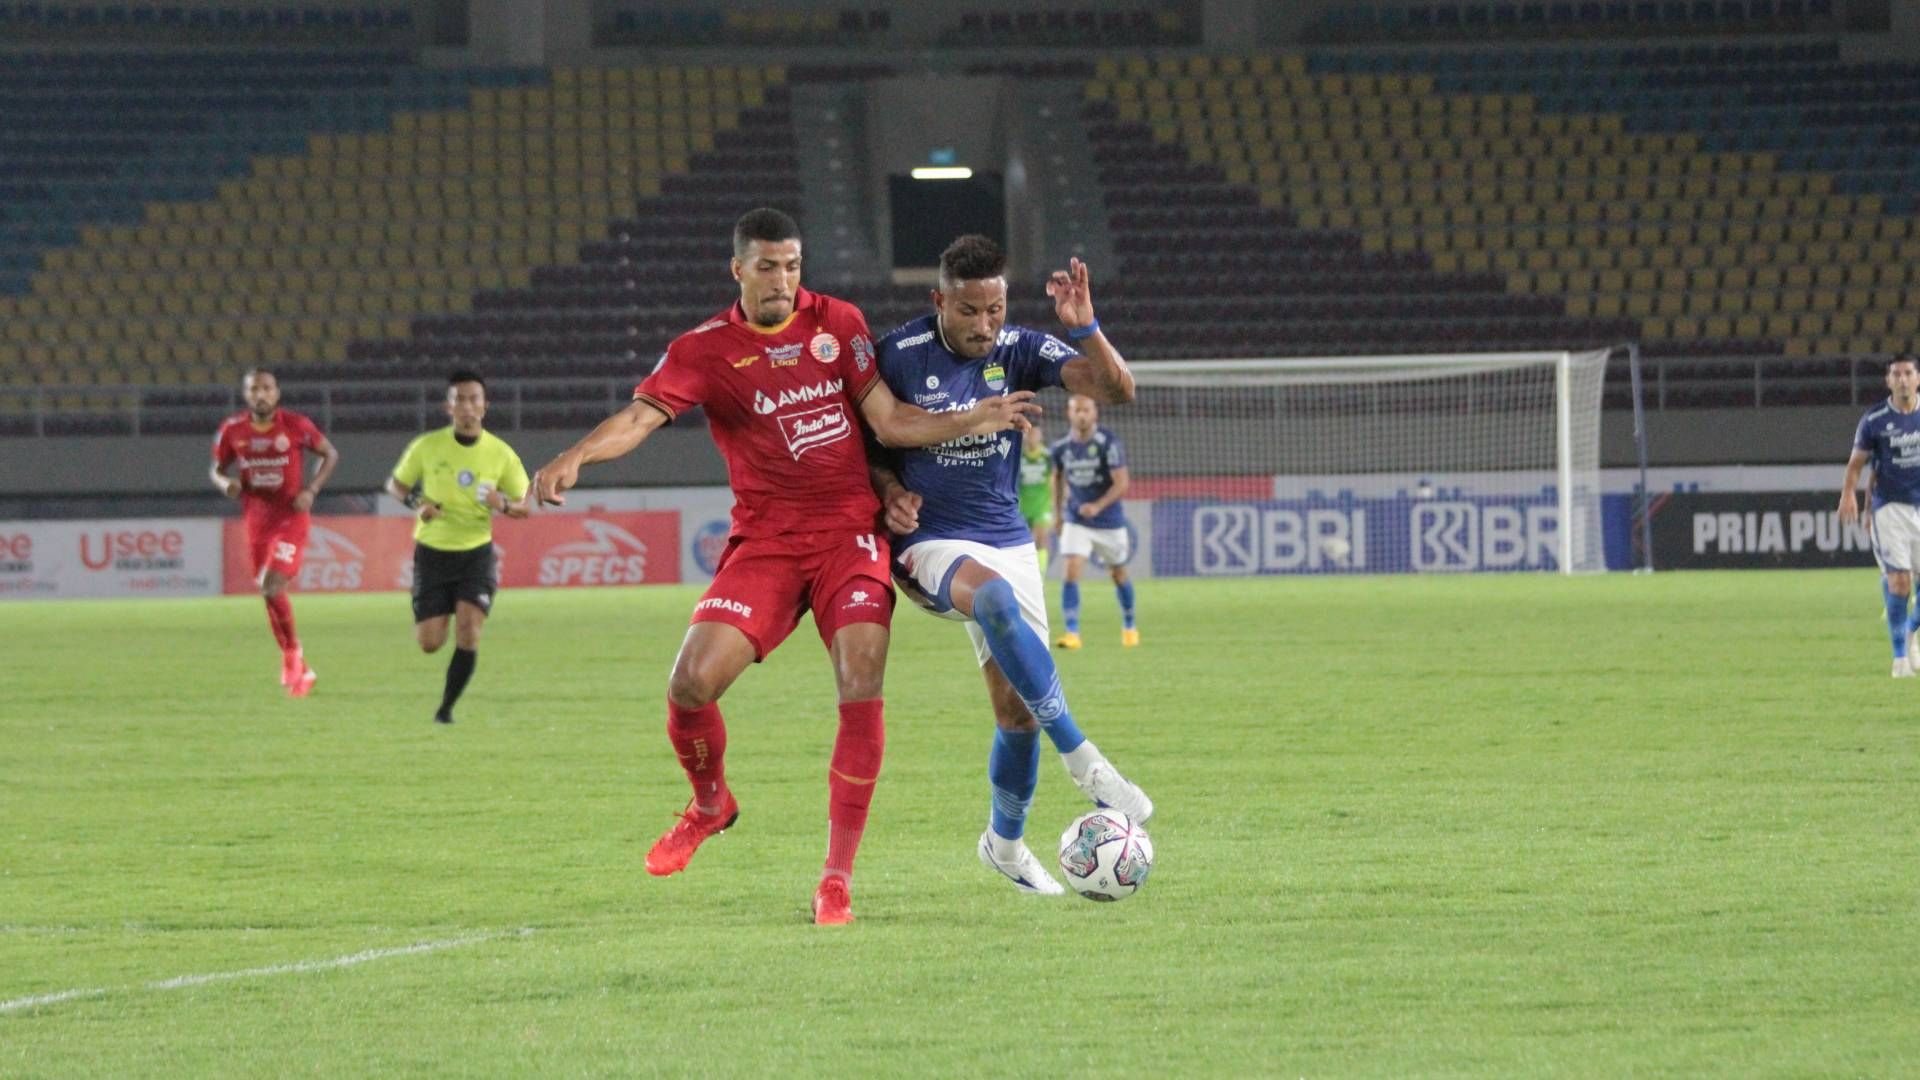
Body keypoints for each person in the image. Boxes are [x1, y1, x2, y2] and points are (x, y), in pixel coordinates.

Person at [530, 207, 1039, 925]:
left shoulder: (839, 324)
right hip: (765, 543)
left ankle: (836, 878)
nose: (783, 280)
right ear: (737, 269)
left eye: (793, 265)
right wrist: (576, 454)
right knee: (689, 684)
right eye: (768, 266)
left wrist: (957, 429)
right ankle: (711, 804)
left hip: (849, 539)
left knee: (860, 684)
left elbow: (889, 424)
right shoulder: (704, 349)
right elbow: (641, 418)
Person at [872, 234, 1153, 895]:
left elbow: (1119, 390)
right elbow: (872, 438)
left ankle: (1003, 844)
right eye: (969, 311)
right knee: (993, 601)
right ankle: (1085, 761)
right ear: (940, 300)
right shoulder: (900, 354)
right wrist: (888, 493)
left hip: (1006, 537)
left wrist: (1086, 328)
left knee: (1017, 712)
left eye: (994, 310)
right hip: (930, 539)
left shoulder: (1020, 349)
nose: (984, 325)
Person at [385, 370, 531, 723]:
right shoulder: (427, 446)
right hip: (432, 553)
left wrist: (504, 505)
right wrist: (418, 503)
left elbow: (524, 506)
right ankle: (443, 610)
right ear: (448, 407)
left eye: (474, 399)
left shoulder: (500, 453)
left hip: (475, 553)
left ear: (485, 406)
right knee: (430, 643)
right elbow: (396, 484)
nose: (467, 406)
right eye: (460, 400)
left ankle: (445, 709)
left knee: (469, 629)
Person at [209, 367, 339, 697]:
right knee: (267, 592)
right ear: (246, 395)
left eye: (267, 388)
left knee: (271, 583)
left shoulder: (295, 425)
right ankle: (300, 666)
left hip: (290, 517)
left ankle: (292, 654)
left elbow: (330, 454)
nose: (261, 395)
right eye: (254, 389)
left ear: (277, 393)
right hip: (256, 521)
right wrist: (226, 483)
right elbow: (217, 469)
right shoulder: (232, 430)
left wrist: (311, 490)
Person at [1839, 353, 1920, 677]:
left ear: (1918, 379)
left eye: (1908, 373)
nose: (1902, 379)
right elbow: (1857, 464)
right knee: (1900, 582)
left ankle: (1911, 631)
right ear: (1888, 381)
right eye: (1896, 374)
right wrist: (1849, 494)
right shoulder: (1874, 420)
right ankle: (1900, 659)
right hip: (1890, 508)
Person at [1052, 394, 1138, 649]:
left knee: (1118, 573)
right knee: (1071, 570)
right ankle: (1072, 633)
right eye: (1076, 410)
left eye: (1086, 410)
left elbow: (1122, 483)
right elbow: (1057, 479)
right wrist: (1058, 514)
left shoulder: (1107, 443)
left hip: (1109, 522)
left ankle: (1130, 624)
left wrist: (1098, 506)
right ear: (1069, 413)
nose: (1081, 415)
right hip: (1076, 519)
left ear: (1095, 413)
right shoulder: (1061, 448)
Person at [1018, 422, 1054, 574]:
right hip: (1022, 506)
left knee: (1042, 539)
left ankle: (1041, 576)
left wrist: (1056, 503)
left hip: (1042, 505)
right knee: (1021, 543)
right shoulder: (1018, 456)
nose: (1032, 436)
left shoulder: (1047, 457)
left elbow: (1054, 480)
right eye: (1029, 433)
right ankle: (1023, 574)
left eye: (1035, 433)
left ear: (1040, 436)